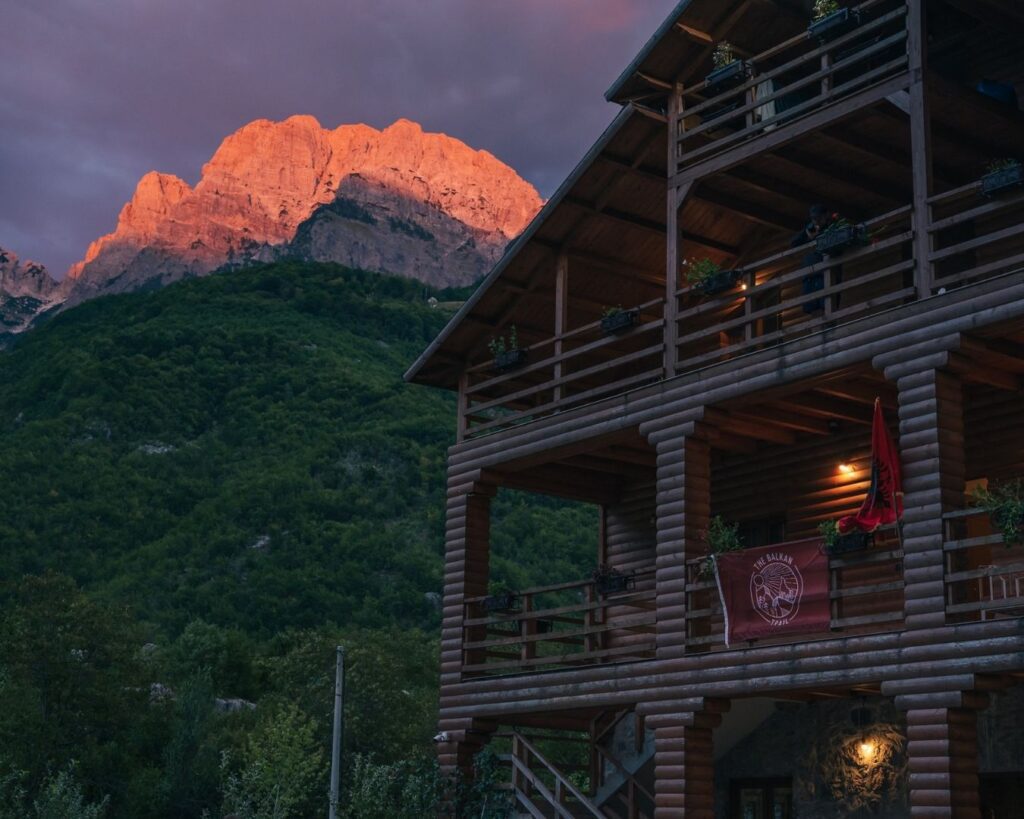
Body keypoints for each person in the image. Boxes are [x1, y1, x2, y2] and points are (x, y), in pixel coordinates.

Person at [791, 204, 837, 314]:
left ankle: (830, 330)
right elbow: (793, 243)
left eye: (818, 218)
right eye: (814, 218)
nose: (816, 221)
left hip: (825, 272)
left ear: (826, 215)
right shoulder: (811, 229)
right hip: (809, 274)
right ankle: (817, 331)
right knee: (812, 309)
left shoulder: (833, 227)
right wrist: (807, 233)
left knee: (827, 306)